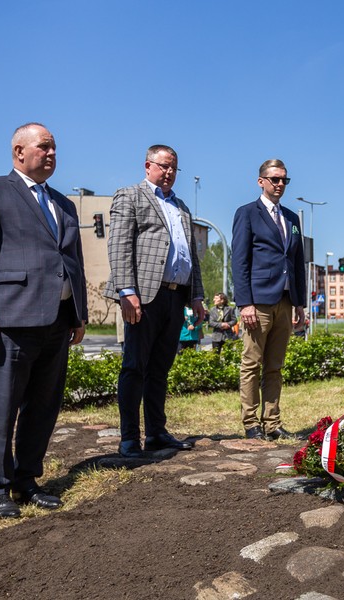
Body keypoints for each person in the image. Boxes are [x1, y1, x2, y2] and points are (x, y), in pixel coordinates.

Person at [0, 122, 88, 519]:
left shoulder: (63, 203)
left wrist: (78, 313)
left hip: (56, 321)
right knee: (4, 406)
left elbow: (73, 261)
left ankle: (27, 479)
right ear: (19, 152)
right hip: (11, 320)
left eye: (54, 149)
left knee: (43, 407)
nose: (51, 154)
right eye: (44, 147)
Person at [106, 144, 205, 458]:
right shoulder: (131, 195)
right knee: (134, 366)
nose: (169, 172)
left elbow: (192, 256)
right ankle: (129, 438)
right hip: (144, 297)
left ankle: (157, 433)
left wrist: (197, 295)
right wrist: (126, 291)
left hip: (175, 297)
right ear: (147, 165)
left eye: (174, 167)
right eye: (163, 166)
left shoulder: (182, 207)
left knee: (160, 368)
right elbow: (119, 244)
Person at [231, 159, 306, 441]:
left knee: (275, 365)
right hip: (258, 301)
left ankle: (272, 424)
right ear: (261, 181)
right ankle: (251, 424)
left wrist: (299, 303)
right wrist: (244, 302)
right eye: (274, 179)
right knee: (252, 362)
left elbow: (297, 262)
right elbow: (240, 261)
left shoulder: (292, 218)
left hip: (286, 301)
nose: (279, 185)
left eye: (284, 180)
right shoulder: (247, 213)